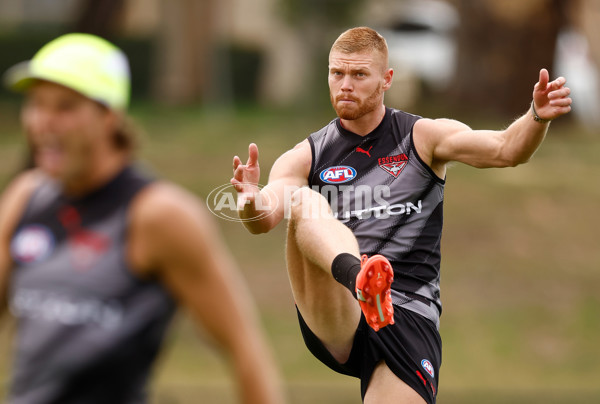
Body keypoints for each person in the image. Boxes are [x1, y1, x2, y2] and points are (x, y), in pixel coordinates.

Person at [231, 27, 572, 404]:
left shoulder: (422, 137)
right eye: (337, 74)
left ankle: (371, 288)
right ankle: (361, 278)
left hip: (406, 314)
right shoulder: (306, 155)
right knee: (305, 203)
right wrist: (249, 200)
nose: (345, 85)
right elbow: (264, 217)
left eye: (359, 75)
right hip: (340, 307)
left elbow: (506, 149)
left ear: (386, 79)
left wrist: (537, 117)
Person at [0, 33, 285, 404]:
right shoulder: (27, 197)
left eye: (64, 107)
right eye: (36, 104)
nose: (43, 123)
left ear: (109, 116)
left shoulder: (158, 215)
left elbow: (247, 354)